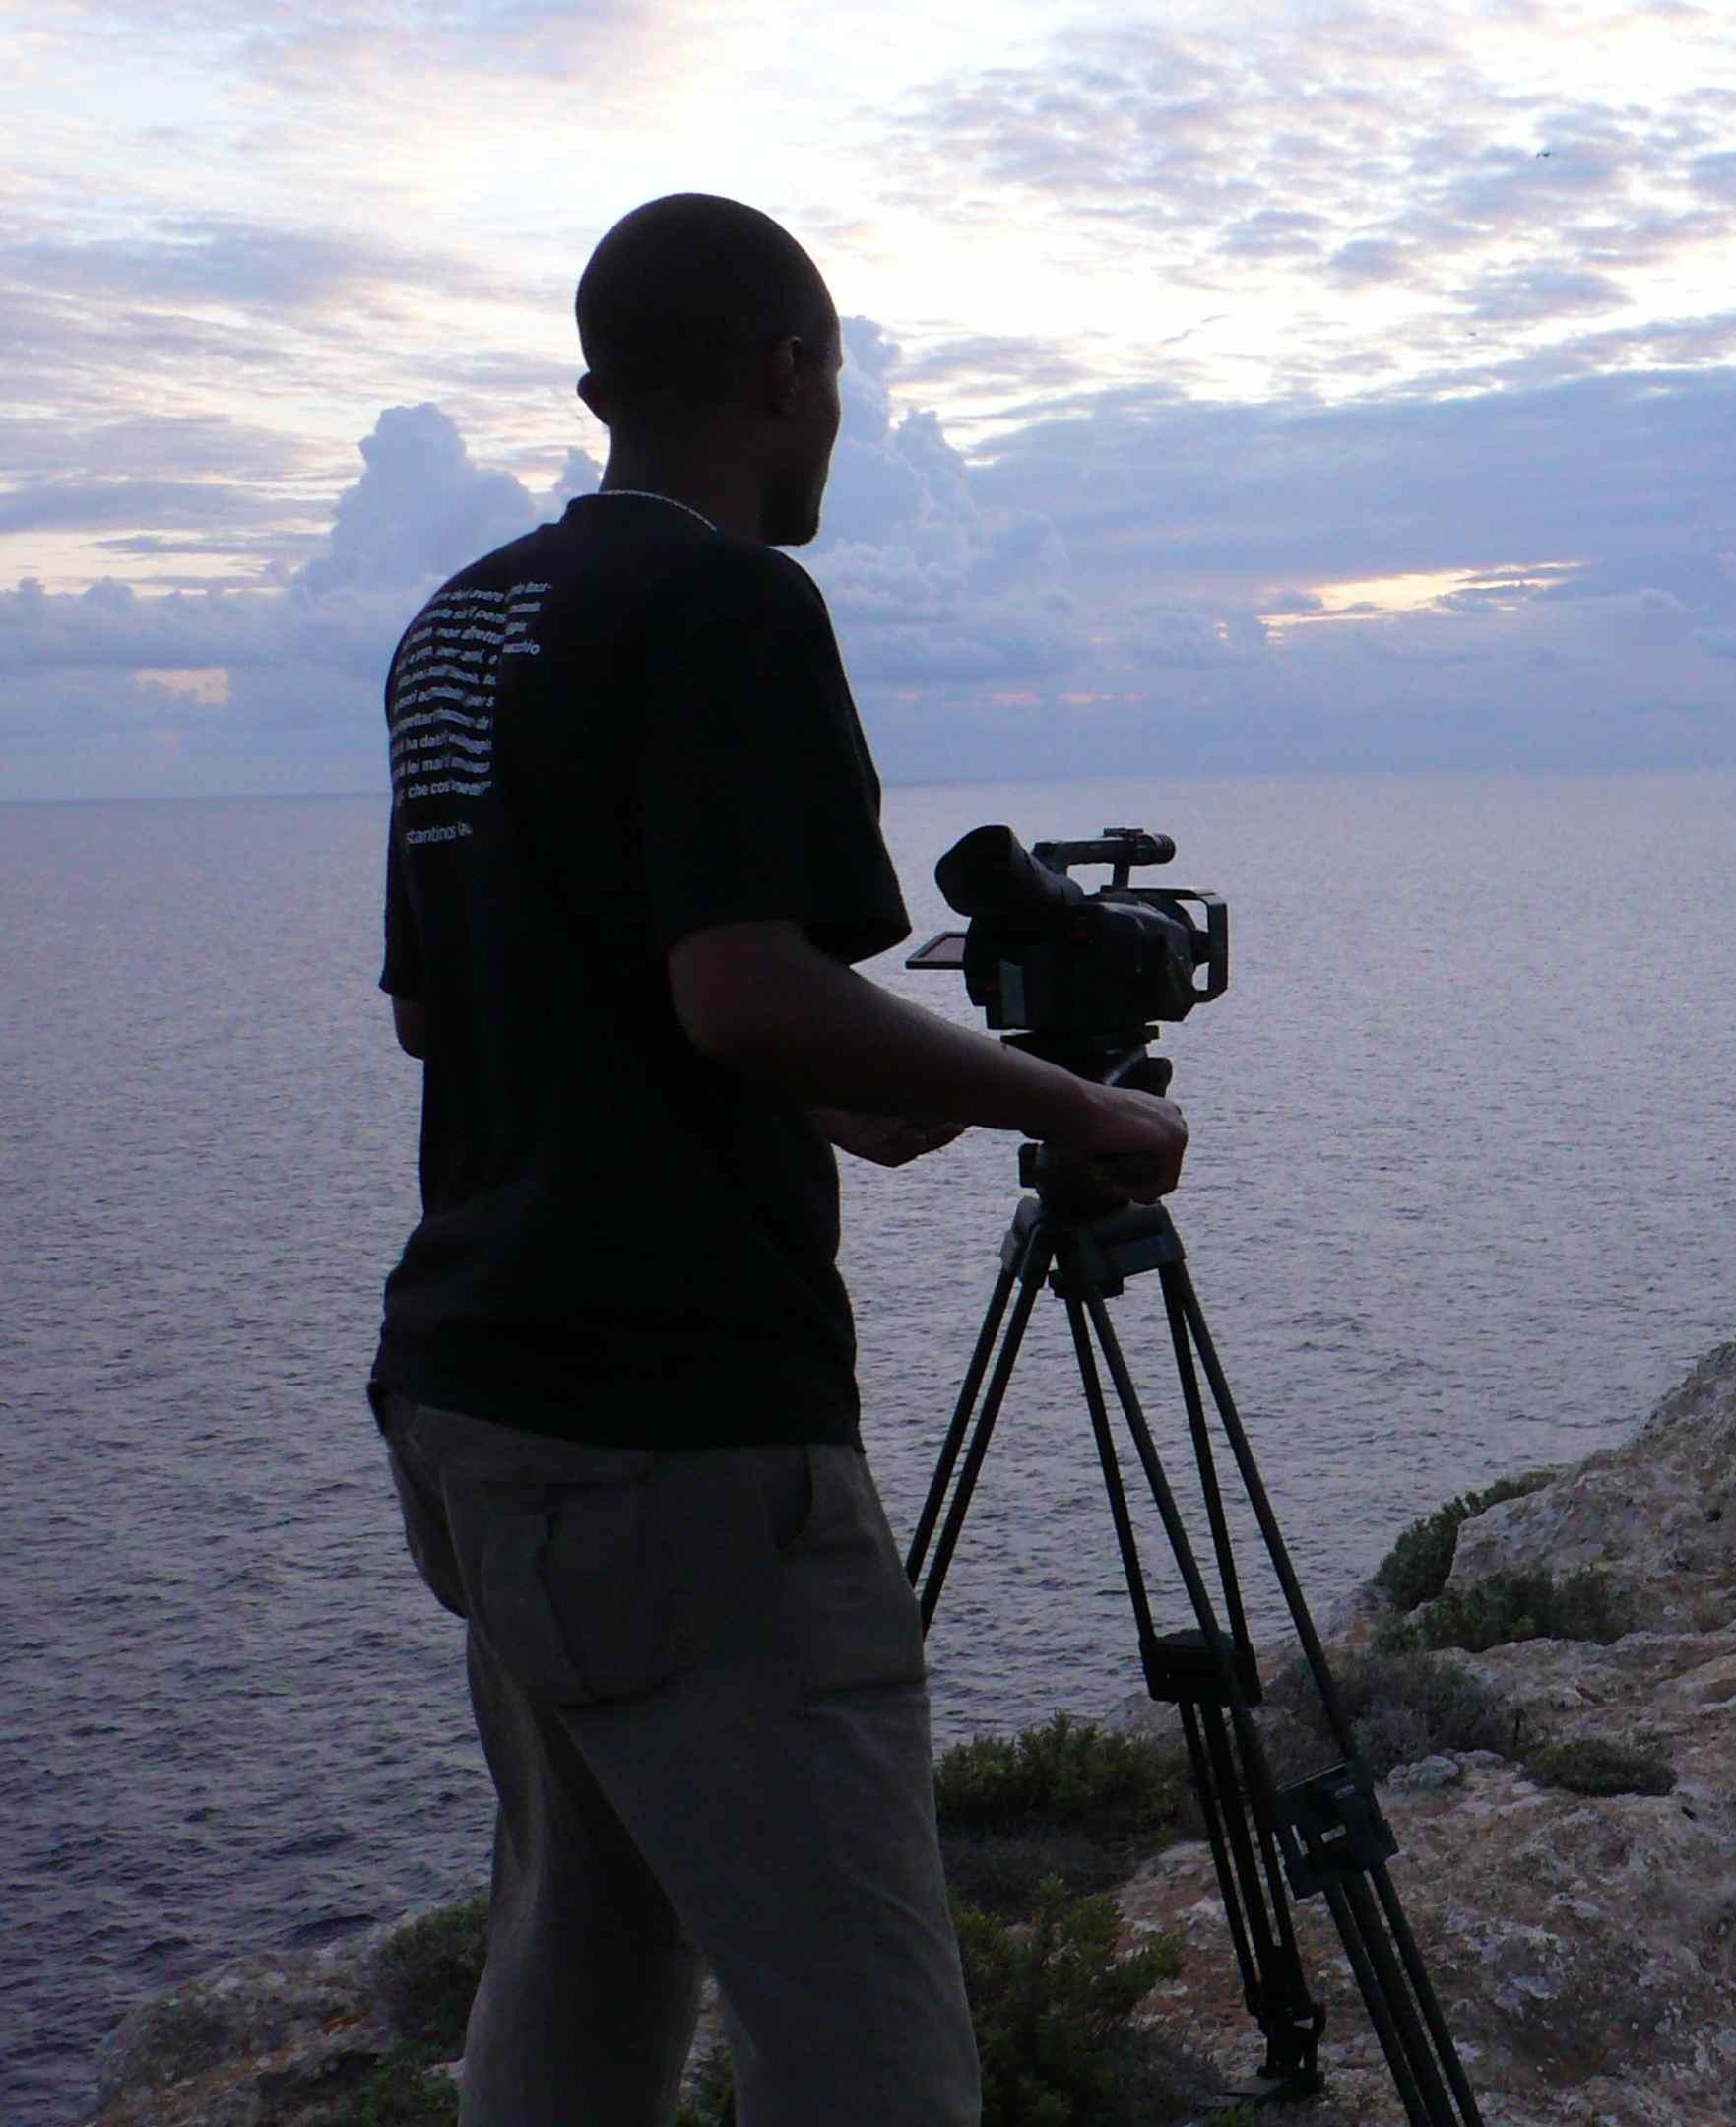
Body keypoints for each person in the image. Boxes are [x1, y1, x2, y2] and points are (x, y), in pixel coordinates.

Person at [368, 192, 1185, 2125]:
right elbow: (741, 984)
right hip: (683, 1449)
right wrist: (1079, 1108)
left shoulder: (456, 628)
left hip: (472, 1409)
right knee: (865, 2042)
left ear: (596, 390)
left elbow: (490, 1005)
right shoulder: (734, 606)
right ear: (791, 371)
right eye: (836, 383)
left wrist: (831, 1094)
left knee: (585, 1948)